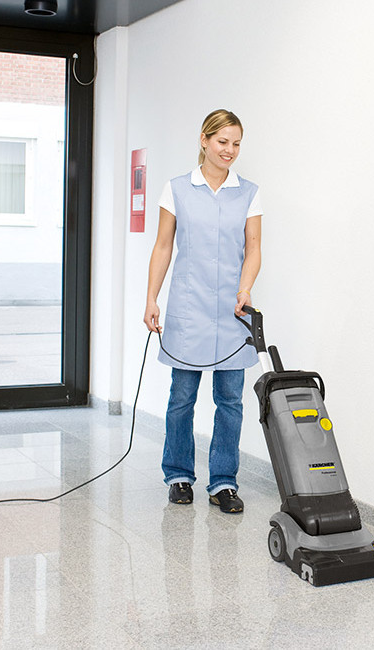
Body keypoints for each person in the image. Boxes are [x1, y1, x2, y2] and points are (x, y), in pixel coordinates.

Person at [143, 109, 263, 514]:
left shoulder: (249, 192)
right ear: (204, 140)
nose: (229, 150)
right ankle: (179, 476)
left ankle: (223, 482)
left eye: (236, 143)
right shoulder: (177, 189)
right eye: (222, 142)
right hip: (189, 308)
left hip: (233, 311)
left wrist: (245, 289)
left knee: (230, 401)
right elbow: (163, 247)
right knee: (182, 398)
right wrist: (151, 298)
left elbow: (254, 248)